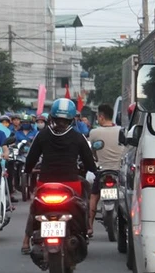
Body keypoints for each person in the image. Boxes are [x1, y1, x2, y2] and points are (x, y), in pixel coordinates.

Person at [20, 98, 98, 253]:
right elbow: (90, 164)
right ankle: (87, 227)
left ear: (52, 117)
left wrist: (28, 171)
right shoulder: (78, 137)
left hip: (45, 184)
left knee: (35, 208)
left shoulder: (42, 135)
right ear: (72, 119)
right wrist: (93, 169)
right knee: (84, 199)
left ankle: (26, 240)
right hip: (71, 184)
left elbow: (29, 162)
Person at [86, 103, 123, 237]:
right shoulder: (121, 131)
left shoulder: (94, 132)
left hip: (102, 171)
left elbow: (93, 152)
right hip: (119, 171)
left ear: (101, 117)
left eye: (97, 117)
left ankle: (89, 226)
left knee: (94, 196)